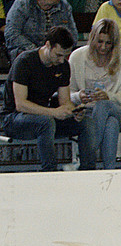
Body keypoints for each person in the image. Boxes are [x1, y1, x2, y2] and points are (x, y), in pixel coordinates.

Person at [0, 26, 96, 172]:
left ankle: (88, 170)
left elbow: (65, 102)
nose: (61, 60)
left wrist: (74, 111)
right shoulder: (24, 62)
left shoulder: (63, 66)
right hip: (14, 119)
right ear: (48, 45)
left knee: (86, 123)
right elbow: (20, 104)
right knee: (46, 121)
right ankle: (49, 171)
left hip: (45, 119)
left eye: (65, 56)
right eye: (58, 55)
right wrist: (53, 112)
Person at [68, 18, 121, 169]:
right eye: (99, 42)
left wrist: (108, 96)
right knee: (110, 125)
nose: (103, 47)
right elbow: (69, 93)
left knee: (104, 105)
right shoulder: (77, 57)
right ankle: (109, 172)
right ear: (92, 39)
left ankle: (86, 158)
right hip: (86, 110)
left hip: (115, 108)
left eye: (108, 43)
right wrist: (79, 96)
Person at [4, 0, 78, 60]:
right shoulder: (23, 4)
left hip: (57, 53)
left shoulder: (64, 6)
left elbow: (73, 35)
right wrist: (37, 50)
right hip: (27, 53)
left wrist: (58, 50)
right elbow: (11, 33)